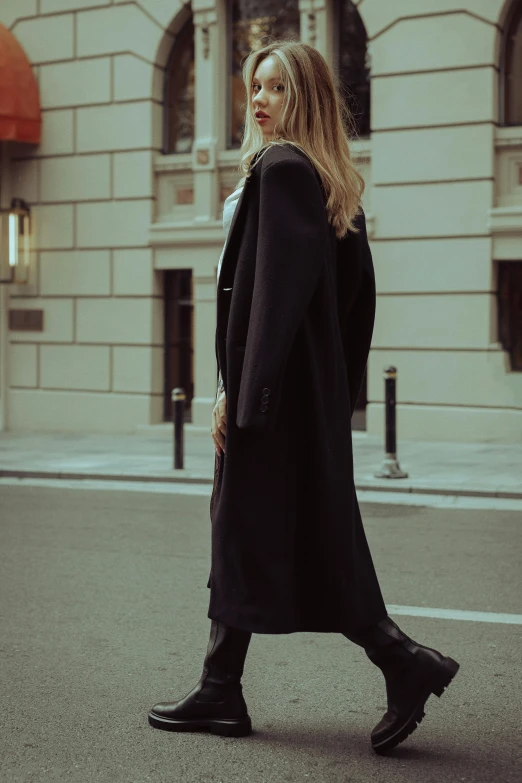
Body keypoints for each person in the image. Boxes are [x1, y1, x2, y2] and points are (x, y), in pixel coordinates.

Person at [148, 39, 460, 754]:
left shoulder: (284, 168)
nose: (258, 100)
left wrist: (240, 395)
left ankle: (395, 661)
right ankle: (225, 686)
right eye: (255, 86)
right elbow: (357, 299)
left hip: (273, 404)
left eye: (276, 89)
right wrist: (330, 392)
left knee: (256, 535)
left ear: (305, 99)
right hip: (299, 402)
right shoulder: (324, 177)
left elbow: (274, 303)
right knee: (290, 540)